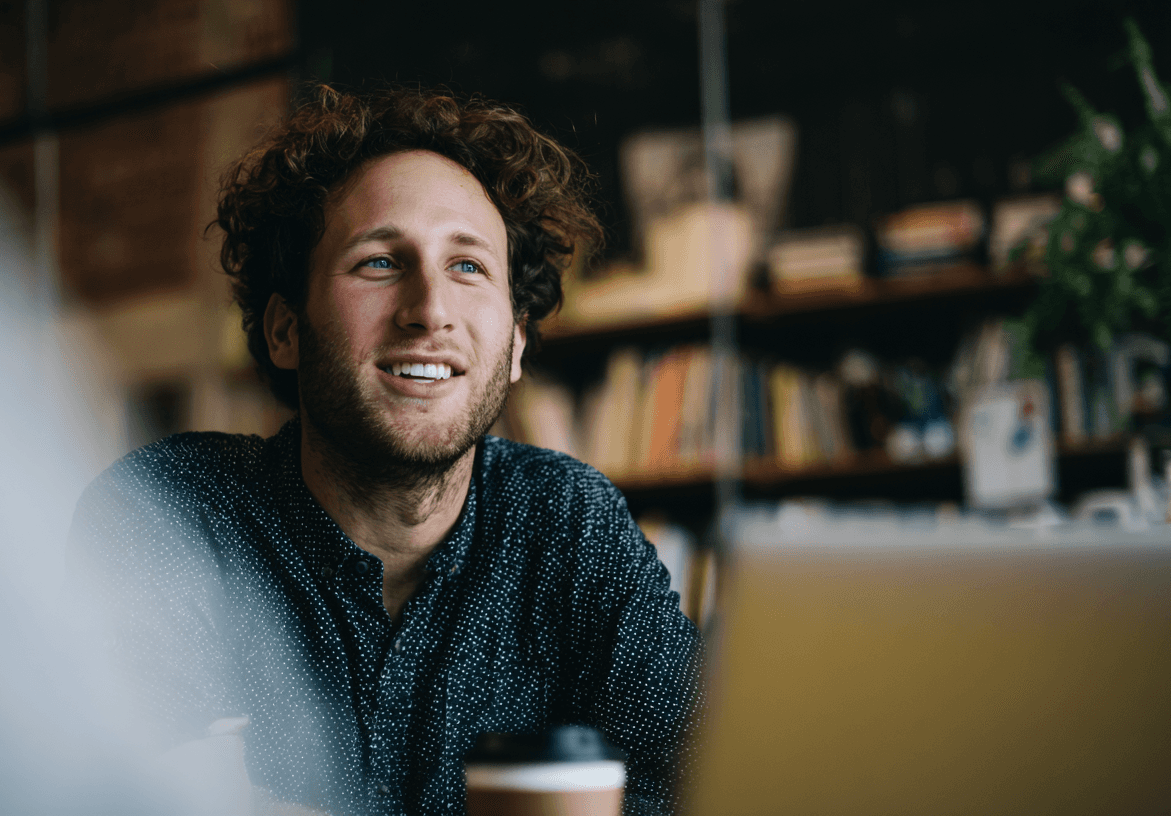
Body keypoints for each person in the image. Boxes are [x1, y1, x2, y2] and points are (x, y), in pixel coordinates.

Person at [70, 84, 700, 816]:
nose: (430, 309)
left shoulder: (570, 524)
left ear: (517, 341)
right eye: (378, 262)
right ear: (285, 331)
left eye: (469, 267)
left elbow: (696, 784)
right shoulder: (170, 518)